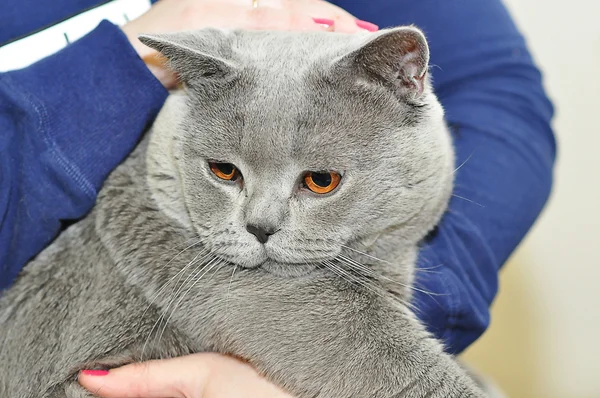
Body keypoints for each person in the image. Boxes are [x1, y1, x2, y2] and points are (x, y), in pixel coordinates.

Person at [0, 0, 556, 396]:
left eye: (319, 182)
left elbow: (495, 87)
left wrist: (433, 293)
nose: (258, 222)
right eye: (224, 171)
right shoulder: (162, 193)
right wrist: (118, 64)